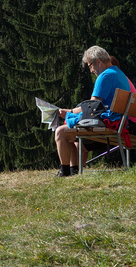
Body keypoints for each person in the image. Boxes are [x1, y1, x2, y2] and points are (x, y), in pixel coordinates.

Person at [54, 46, 130, 176]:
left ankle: (65, 172)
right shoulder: (119, 74)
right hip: (119, 121)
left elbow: (92, 106)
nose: (91, 70)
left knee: (61, 132)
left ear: (98, 62)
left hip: (109, 122)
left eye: (90, 66)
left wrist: (70, 112)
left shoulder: (105, 76)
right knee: (71, 133)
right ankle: (73, 171)